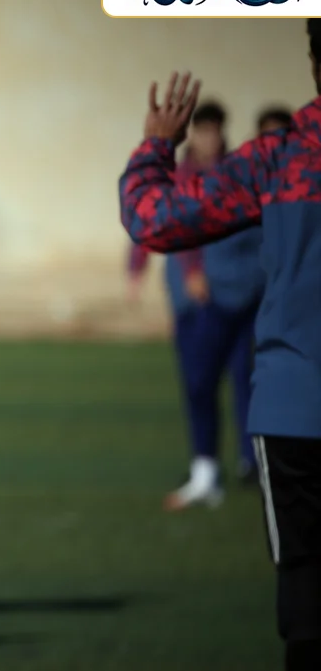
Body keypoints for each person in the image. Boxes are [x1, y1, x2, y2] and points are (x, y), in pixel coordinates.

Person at [118, 18, 321, 671]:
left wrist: (157, 146)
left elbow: (151, 217)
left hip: (298, 413)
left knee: (309, 607)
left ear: (313, 61)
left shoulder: (284, 159)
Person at [126, 101, 265, 509]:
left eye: (215, 130)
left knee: (247, 379)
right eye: (202, 130)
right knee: (199, 381)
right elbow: (155, 221)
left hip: (241, 295)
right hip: (197, 300)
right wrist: (144, 268)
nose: (210, 138)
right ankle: (205, 467)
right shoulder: (177, 175)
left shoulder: (237, 175)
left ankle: (251, 461)